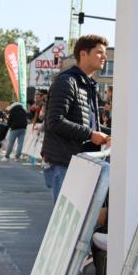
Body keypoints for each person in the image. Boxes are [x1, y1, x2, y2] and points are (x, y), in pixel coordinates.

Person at [42, 34, 111, 202]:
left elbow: (92, 125)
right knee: (66, 224)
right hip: (65, 164)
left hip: (80, 163)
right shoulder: (67, 81)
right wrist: (90, 135)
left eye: (105, 53)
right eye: (99, 52)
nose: (104, 57)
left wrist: (113, 133)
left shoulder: (88, 84)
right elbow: (55, 121)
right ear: (83, 54)